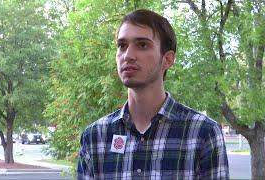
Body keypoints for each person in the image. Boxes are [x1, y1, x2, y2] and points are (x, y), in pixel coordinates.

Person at [77, 9, 229, 179]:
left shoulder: (202, 133)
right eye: (122, 46)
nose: (128, 55)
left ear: (168, 59)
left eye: (142, 45)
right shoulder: (95, 137)